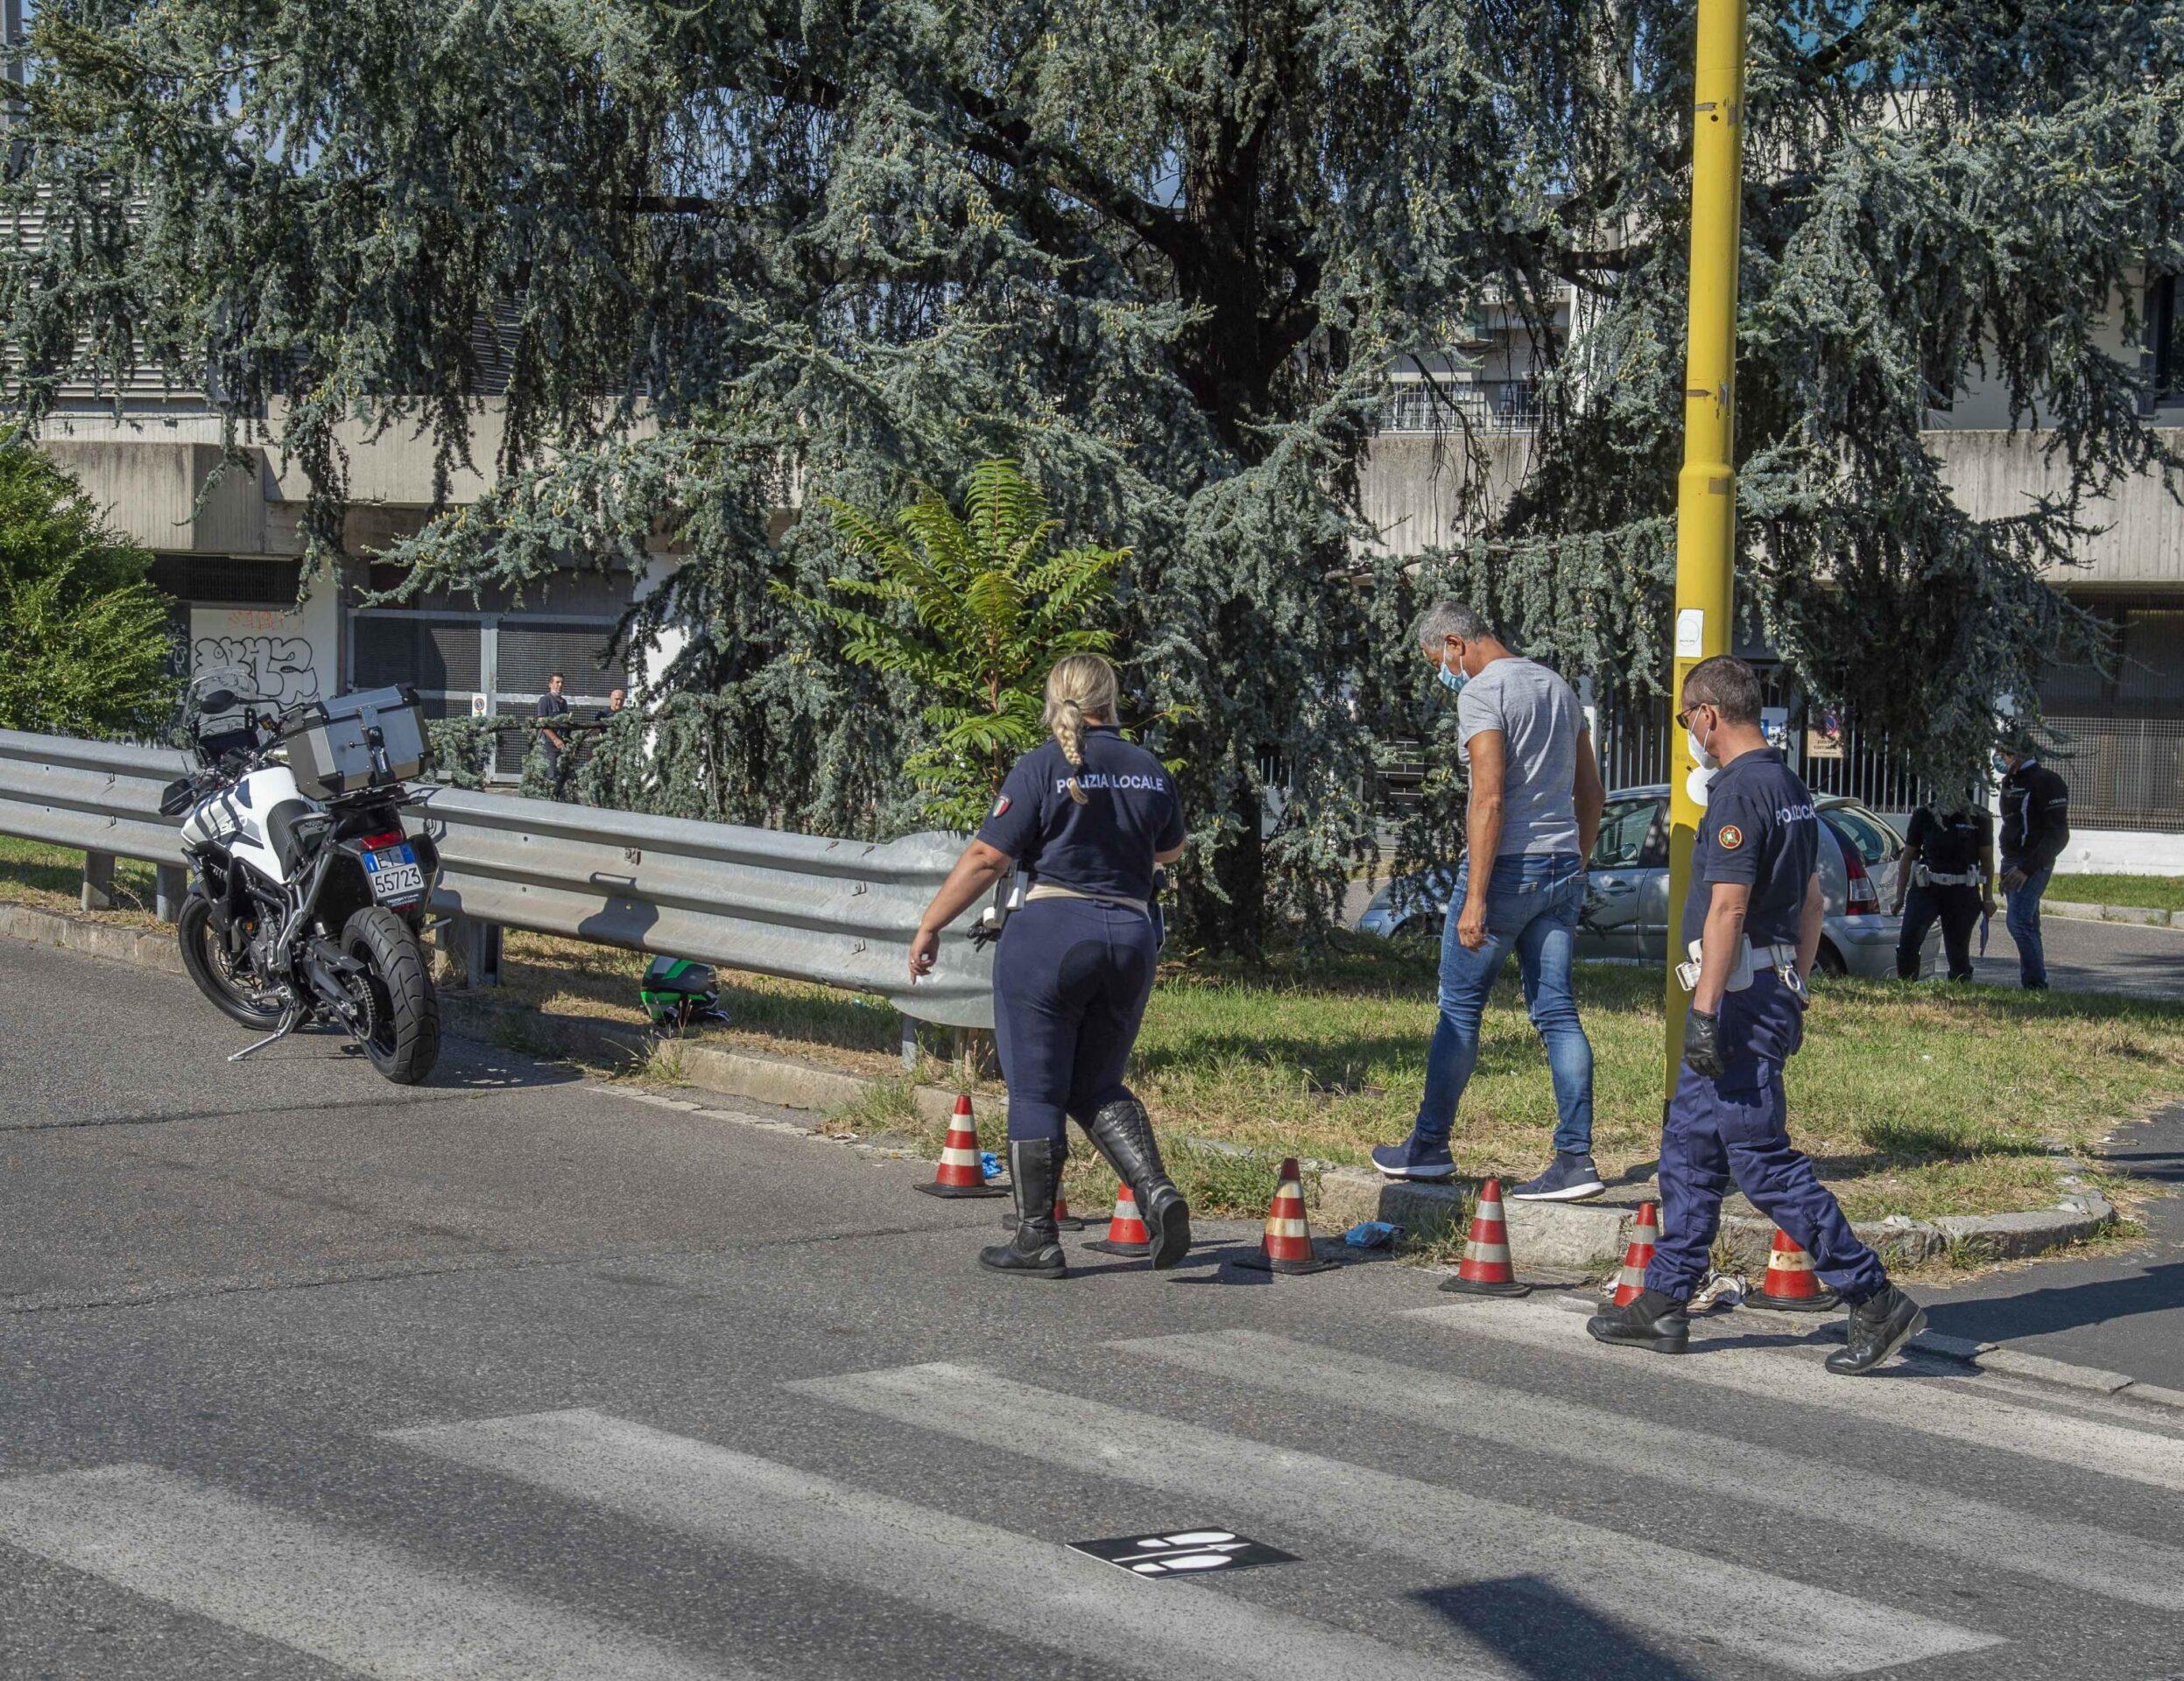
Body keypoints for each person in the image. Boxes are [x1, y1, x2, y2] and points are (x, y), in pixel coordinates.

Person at [1588, 657, 1924, 1375]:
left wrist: (1706, 1010)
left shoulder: (1740, 794)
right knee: (1688, 1148)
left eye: (1686, 720)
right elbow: (1812, 902)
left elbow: (1729, 907)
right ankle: (1666, 1302)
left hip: (1735, 1001)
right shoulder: (1788, 786)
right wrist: (1796, 985)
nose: (1689, 733)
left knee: (1759, 1159)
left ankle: (1873, 1297)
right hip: (1760, 991)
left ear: (1709, 715)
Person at [910, 654, 1190, 1278]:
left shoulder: (1042, 764)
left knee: (1036, 1087)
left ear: (1057, 699)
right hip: (1131, 937)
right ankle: (1156, 1191)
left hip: (1052, 935)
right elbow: (1169, 850)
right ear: (1111, 700)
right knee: (1095, 1085)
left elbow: (987, 857)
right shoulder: (1149, 770)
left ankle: (1037, 1237)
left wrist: (930, 924)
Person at [1370, 600, 1608, 1202]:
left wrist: (1475, 897)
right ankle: (1575, 1159)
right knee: (1557, 1013)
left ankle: (1427, 1147)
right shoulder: (1556, 687)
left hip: (1505, 869)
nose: (1441, 674)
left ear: (1456, 643)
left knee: (1459, 1010)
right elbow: (1593, 793)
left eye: (1437, 661)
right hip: (1558, 868)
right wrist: (1575, 864)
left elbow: (1490, 798)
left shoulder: (1482, 693)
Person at [1892, 792, 1997, 982]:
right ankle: (1905, 988)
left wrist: (1988, 897)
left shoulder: (1980, 817)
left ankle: (1960, 993)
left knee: (1957, 951)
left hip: (1962, 891)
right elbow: (1908, 856)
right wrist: (1899, 896)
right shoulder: (1924, 814)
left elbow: (1987, 861)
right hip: (1927, 888)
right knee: (1909, 940)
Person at [1997, 736, 2070, 990]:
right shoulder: (2009, 781)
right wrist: (2005, 867)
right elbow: (2011, 825)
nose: (1999, 758)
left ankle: (2035, 984)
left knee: (2017, 921)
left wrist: (2027, 868)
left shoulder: (2047, 781)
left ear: (2016, 754)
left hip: (2034, 862)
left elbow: (2059, 834)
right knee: (2029, 923)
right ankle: (2035, 982)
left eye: (2003, 753)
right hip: (2011, 860)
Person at [535, 672, 573, 798]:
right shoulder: (545, 700)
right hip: (549, 745)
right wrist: (555, 739)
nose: (560, 685)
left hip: (562, 745)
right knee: (550, 775)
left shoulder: (564, 702)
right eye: (557, 682)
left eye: (562, 682)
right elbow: (542, 722)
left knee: (562, 775)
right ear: (550, 684)